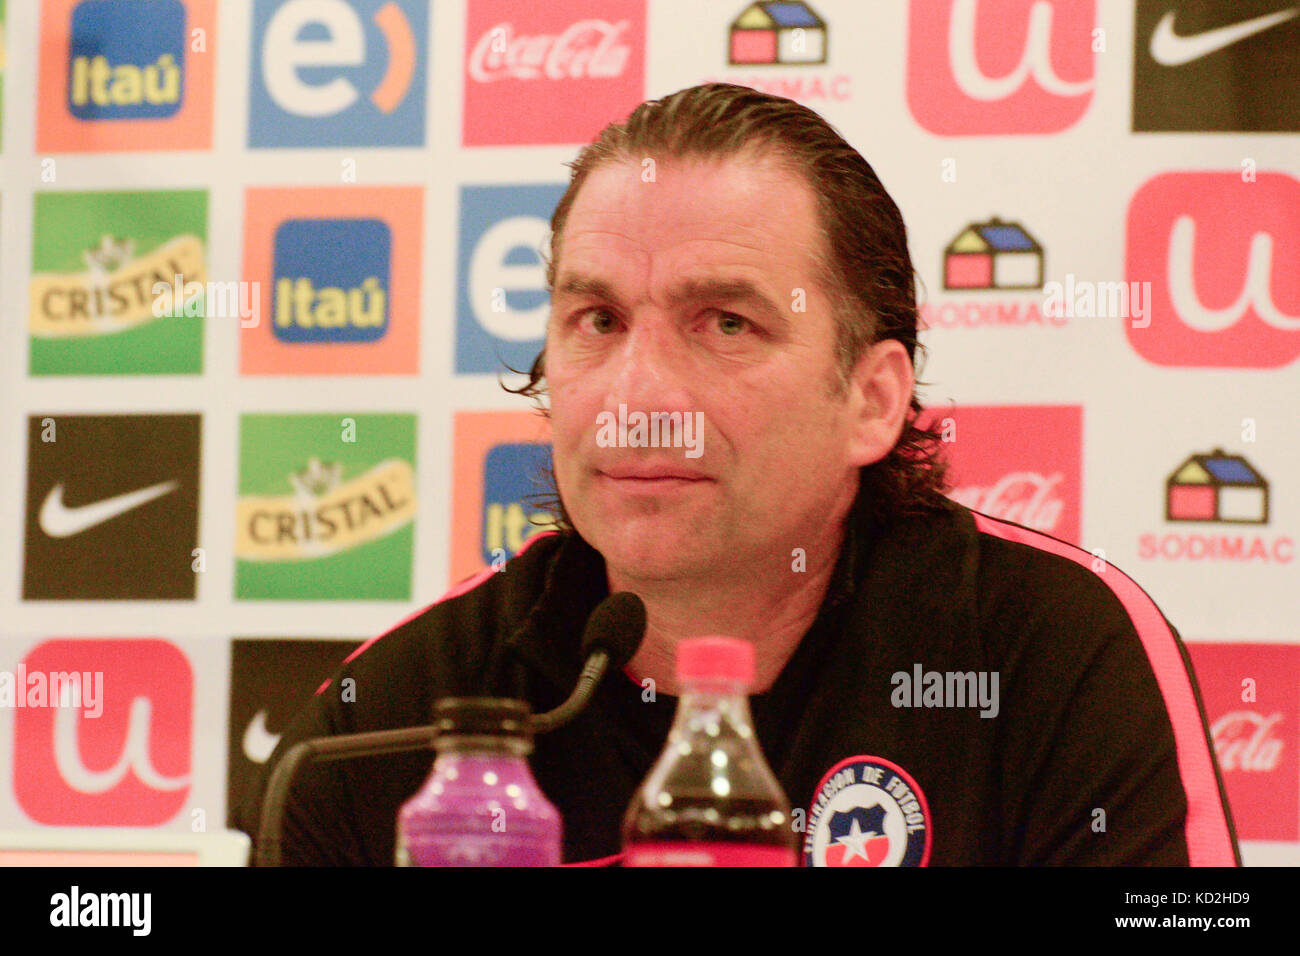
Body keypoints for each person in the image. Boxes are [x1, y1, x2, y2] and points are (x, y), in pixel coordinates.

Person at [235, 83, 1239, 866]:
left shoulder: (1050, 652)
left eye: (725, 322)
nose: (637, 392)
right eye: (598, 320)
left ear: (871, 399)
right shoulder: (399, 717)